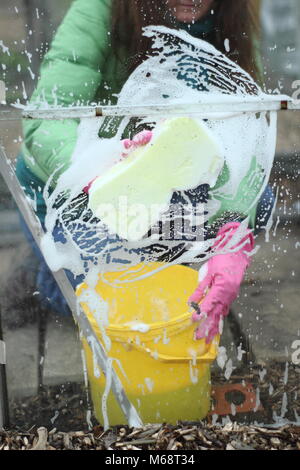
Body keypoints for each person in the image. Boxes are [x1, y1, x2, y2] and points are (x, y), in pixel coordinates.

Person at [16, 0, 273, 341]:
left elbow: (247, 132)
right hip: (78, 186)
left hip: (164, 184)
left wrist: (233, 232)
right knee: (109, 310)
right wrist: (97, 172)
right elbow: (46, 122)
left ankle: (156, 254)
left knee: (261, 202)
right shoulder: (100, 9)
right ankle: (51, 280)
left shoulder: (233, 17)